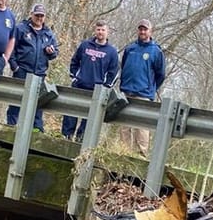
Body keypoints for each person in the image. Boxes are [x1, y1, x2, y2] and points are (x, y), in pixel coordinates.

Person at [62, 20, 120, 141]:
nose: (100, 32)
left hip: (97, 89)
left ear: (107, 32)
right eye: (98, 29)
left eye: (103, 30)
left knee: (90, 116)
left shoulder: (112, 52)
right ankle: (66, 136)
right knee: (71, 110)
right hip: (80, 84)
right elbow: (75, 61)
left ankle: (81, 138)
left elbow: (114, 72)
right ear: (95, 30)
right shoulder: (85, 45)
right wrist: (74, 76)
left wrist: (106, 86)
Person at [6, 3, 60, 131]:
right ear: (32, 15)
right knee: (17, 102)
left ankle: (37, 131)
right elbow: (10, 48)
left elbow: (55, 53)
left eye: (41, 16)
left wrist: (51, 52)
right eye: (37, 15)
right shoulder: (21, 29)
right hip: (22, 71)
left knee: (37, 105)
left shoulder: (48, 34)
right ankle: (10, 128)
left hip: (39, 74)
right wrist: (14, 66)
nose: (39, 18)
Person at [118, 19, 166, 155]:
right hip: (126, 91)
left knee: (142, 126)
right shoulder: (130, 48)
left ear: (151, 31)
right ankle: (123, 152)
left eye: (145, 29)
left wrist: (150, 87)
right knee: (124, 125)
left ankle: (141, 154)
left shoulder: (156, 51)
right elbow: (123, 66)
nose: (142, 32)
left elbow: (160, 74)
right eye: (140, 29)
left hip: (144, 93)